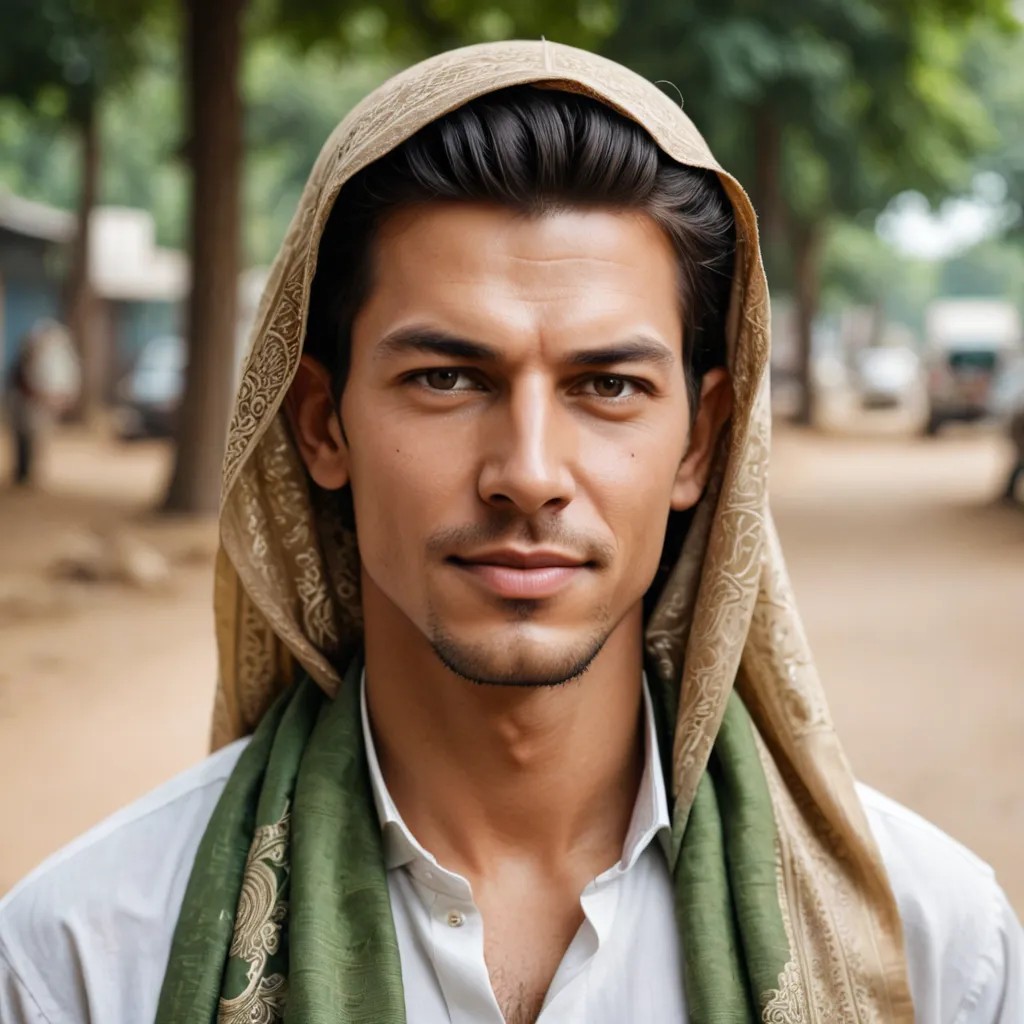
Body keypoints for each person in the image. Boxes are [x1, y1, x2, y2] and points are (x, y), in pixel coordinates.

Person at [0, 41, 1020, 1024]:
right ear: (322, 424)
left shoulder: (930, 953)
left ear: (701, 444)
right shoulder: (88, 958)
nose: (528, 473)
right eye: (447, 378)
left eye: (608, 385)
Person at [4, 319, 79, 486]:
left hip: (38, 404)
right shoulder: (28, 358)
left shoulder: (56, 357)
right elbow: (25, 382)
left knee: (35, 438)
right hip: (25, 402)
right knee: (23, 438)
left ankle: (28, 471)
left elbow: (63, 380)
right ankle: (22, 473)